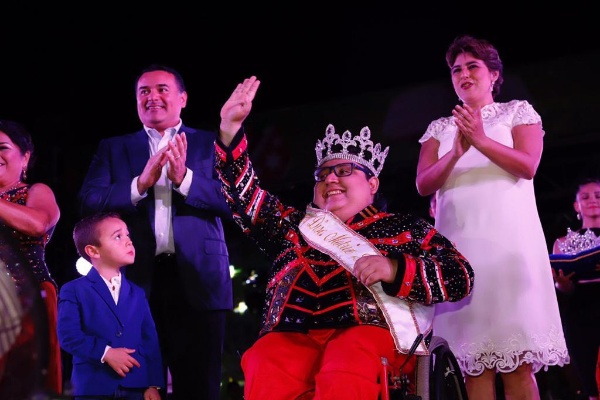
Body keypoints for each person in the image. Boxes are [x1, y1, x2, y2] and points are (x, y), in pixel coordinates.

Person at [215, 76, 474, 400]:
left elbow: (460, 275)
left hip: (369, 337)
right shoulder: (293, 226)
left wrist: (395, 269)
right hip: (294, 334)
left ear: (373, 184)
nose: (330, 180)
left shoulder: (405, 227)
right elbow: (245, 199)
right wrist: (230, 129)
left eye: (344, 171)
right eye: (322, 175)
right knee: (264, 358)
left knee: (348, 356)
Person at [415, 34, 569, 399]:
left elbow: (528, 166)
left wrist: (481, 139)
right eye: (456, 69)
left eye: (473, 66)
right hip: (459, 245)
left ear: (494, 74)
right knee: (472, 364)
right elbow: (423, 184)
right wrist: (456, 152)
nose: (464, 74)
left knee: (517, 363)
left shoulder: (517, 112)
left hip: (507, 241)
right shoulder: (439, 127)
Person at [77, 64, 233, 400]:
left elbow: (235, 200)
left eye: (162, 89)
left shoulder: (209, 143)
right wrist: (139, 184)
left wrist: (185, 179)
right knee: (139, 385)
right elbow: (88, 201)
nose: (153, 97)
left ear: (183, 98)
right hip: (134, 280)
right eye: (144, 91)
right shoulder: (114, 148)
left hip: (200, 279)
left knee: (200, 386)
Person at [57, 212, 164, 399]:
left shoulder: (137, 293)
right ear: (93, 251)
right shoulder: (74, 290)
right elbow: (69, 336)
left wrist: (152, 383)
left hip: (136, 385)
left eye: (127, 235)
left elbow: (150, 341)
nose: (128, 241)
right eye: (118, 236)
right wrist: (105, 353)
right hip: (93, 386)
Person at [0, 119, 62, 396]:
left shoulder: (35, 192)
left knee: (22, 381)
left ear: (25, 157)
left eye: (2, 147)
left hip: (28, 298)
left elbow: (38, 223)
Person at [551, 177, 600, 400]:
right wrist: (561, 284)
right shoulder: (562, 242)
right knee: (590, 381)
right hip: (581, 313)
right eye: (585, 197)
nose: (593, 201)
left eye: (598, 196)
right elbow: (563, 288)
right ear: (576, 206)